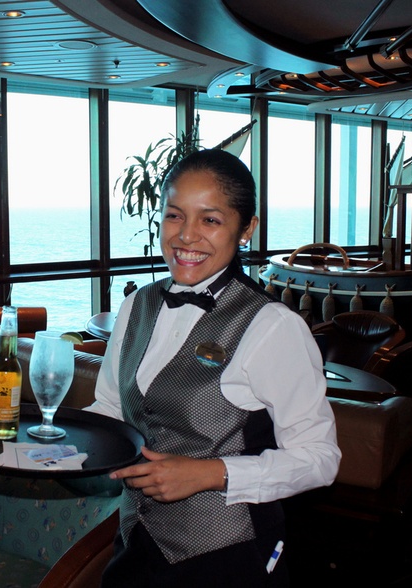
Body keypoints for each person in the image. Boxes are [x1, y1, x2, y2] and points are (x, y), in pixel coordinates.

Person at [86, 149, 340, 587]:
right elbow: (111, 406)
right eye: (173, 216)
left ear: (246, 230)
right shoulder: (136, 306)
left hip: (227, 553)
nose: (185, 236)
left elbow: (321, 460)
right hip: (136, 538)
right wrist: (53, 443)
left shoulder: (272, 327)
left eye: (210, 220)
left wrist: (209, 473)